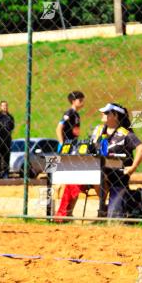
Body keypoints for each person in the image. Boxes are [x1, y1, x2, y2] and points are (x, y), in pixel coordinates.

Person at [91, 103, 142, 218]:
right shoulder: (98, 130)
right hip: (97, 171)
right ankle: (104, 205)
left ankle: (110, 207)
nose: (103, 114)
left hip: (117, 175)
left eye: (107, 113)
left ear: (115, 115)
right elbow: (89, 148)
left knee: (114, 218)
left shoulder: (125, 133)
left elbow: (141, 149)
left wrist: (133, 167)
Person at [55, 90, 85, 219]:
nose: (82, 102)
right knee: (62, 180)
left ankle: (67, 211)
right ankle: (59, 209)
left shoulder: (76, 114)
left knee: (69, 179)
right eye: (80, 100)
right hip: (67, 148)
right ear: (74, 101)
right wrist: (62, 143)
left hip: (73, 147)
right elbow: (59, 127)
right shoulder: (69, 113)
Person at [0, 100, 15, 179]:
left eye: (6, 106)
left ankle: (6, 174)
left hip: (7, 141)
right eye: (3, 106)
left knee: (6, 158)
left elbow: (11, 127)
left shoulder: (10, 117)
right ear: (0, 107)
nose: (5, 107)